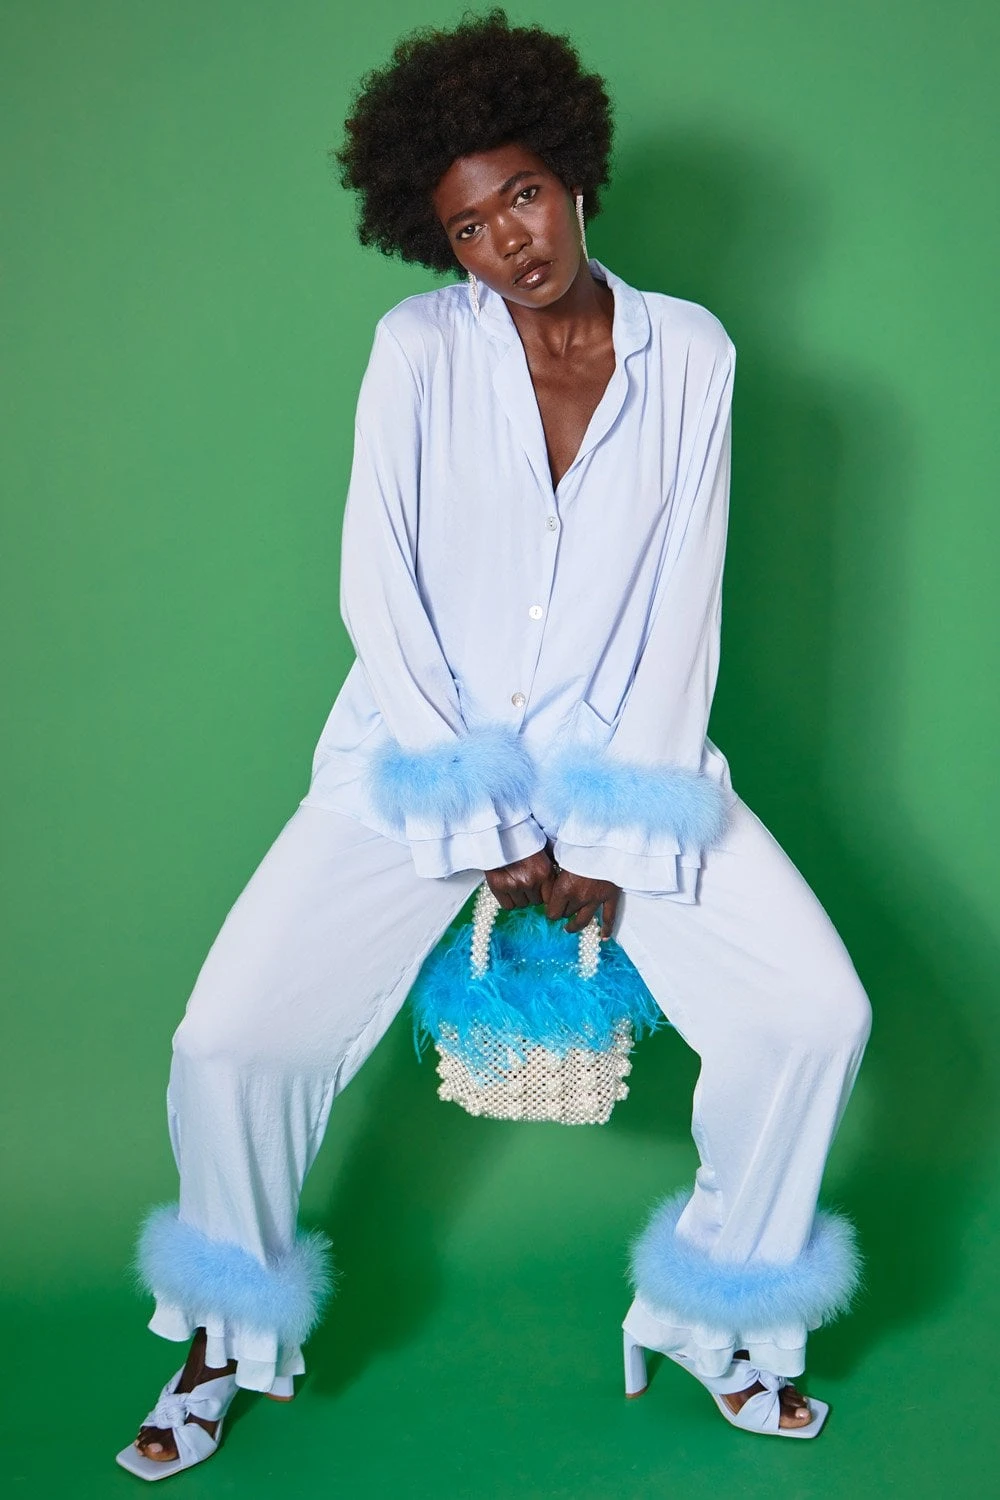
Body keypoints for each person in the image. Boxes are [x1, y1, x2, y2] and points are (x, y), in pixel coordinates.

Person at [117, 8, 872, 1479]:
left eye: (521, 196)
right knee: (229, 1042)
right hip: (415, 760)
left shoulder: (691, 355)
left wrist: (612, 828)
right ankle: (221, 1337)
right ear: (437, 240)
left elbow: (685, 603)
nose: (507, 243)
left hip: (628, 761)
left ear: (575, 175)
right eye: (468, 227)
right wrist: (486, 820)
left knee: (814, 1017)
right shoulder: (415, 352)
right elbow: (378, 590)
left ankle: (715, 1314)